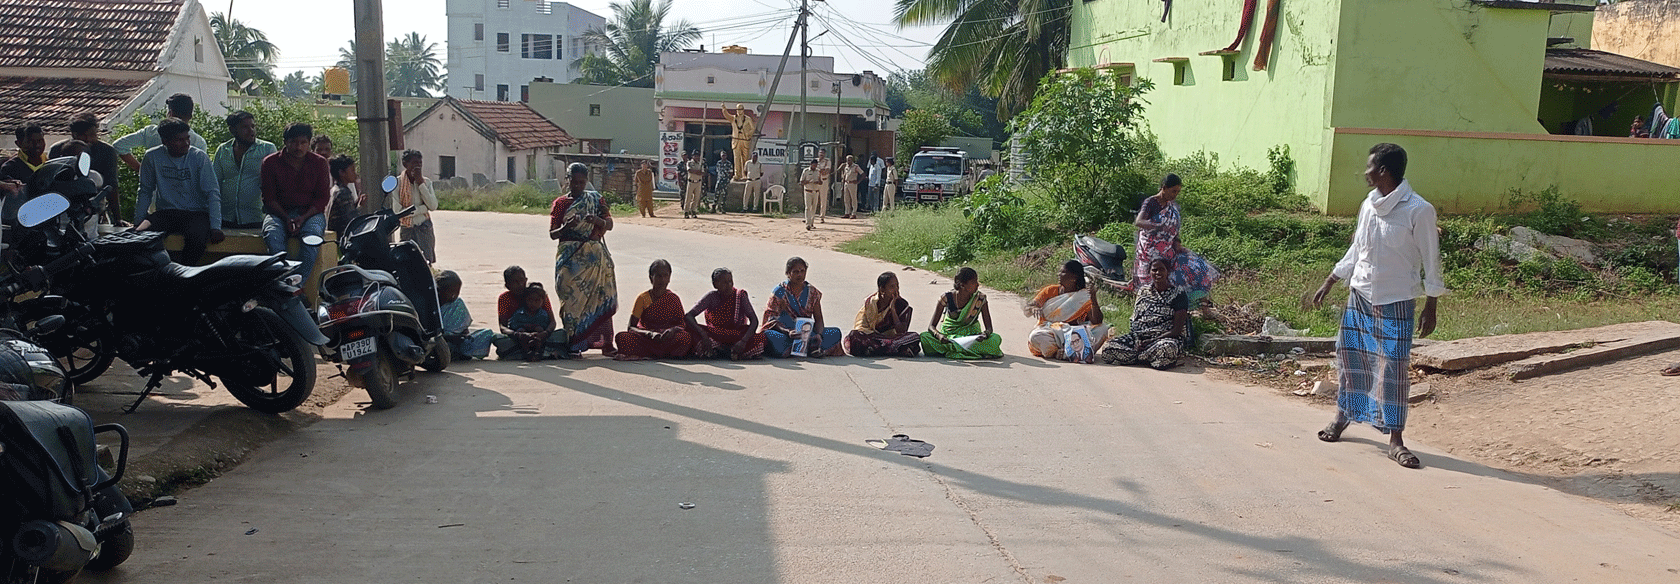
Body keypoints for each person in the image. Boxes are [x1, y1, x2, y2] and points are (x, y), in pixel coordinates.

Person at [1309, 143, 1446, 470]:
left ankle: (1396, 439)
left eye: (1369, 166)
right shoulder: (1368, 205)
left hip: (1397, 299)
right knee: (1351, 357)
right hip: (1360, 295)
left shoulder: (1418, 210)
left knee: (1393, 368)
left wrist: (1432, 305)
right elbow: (1358, 248)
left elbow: (1432, 261)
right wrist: (1331, 280)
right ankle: (1344, 416)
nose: (1365, 172)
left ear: (1384, 172)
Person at [550, 162, 618, 357]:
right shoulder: (561, 204)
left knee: (601, 298)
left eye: (582, 182)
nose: (578, 186)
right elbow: (553, 234)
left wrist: (597, 221)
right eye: (574, 182)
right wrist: (567, 227)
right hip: (569, 259)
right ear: (568, 181)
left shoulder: (596, 200)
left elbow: (610, 224)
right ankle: (575, 343)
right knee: (571, 300)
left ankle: (606, 343)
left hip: (596, 259)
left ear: (587, 181)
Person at [135, 119, 224, 265]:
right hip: (166, 212)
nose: (186, 143)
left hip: (196, 213)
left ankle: (185, 276)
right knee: (140, 237)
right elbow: (145, 190)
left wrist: (215, 227)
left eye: (187, 138)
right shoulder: (152, 157)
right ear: (165, 141)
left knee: (197, 240)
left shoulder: (199, 157)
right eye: (179, 140)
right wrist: (138, 220)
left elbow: (212, 193)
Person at [1129, 173, 1221, 306]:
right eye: (1173, 191)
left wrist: (1177, 243)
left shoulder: (1172, 207)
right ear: (1164, 188)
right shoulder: (1151, 203)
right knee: (1159, 278)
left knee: (1194, 267)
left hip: (1168, 249)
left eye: (1178, 192)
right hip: (1150, 251)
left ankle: (1195, 303)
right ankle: (1158, 305)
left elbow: (1174, 229)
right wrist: (1157, 227)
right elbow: (1139, 222)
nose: (1175, 195)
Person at [260, 123, 330, 277]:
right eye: (294, 142)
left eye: (303, 143)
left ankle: (295, 288)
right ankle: (284, 283)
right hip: (278, 213)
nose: (299, 147)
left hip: (310, 214)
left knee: (312, 240)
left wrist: (303, 218)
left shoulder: (319, 163)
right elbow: (269, 198)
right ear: (285, 142)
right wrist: (286, 218)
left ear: (309, 143)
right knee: (273, 238)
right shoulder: (270, 163)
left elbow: (322, 198)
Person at [1099, 258, 1188, 369]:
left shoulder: (1178, 294)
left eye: (1161, 270)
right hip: (1140, 339)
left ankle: (1140, 357)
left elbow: (1177, 330)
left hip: (1163, 339)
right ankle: (1148, 358)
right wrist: (1137, 340)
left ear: (1168, 271)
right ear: (1150, 272)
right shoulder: (1143, 292)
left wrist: (1152, 340)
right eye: (1154, 270)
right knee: (1109, 348)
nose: (1158, 273)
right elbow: (1136, 319)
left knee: (1166, 349)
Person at [1027, 260, 1110, 363]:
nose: (1059, 275)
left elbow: (1097, 321)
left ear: (1073, 278)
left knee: (1102, 329)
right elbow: (1031, 305)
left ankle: (1069, 353)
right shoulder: (1050, 290)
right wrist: (1034, 308)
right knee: (1036, 337)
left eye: (1063, 272)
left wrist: (1093, 298)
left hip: (1076, 336)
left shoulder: (1083, 296)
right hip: (1052, 332)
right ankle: (1065, 352)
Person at [49, 112, 123, 226]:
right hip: (62, 211)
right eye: (84, 135)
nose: (89, 139)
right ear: (74, 134)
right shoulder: (58, 150)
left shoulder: (107, 152)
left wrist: (117, 219)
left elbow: (111, 187)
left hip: (96, 212)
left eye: (93, 134)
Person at [614, 259, 695, 360]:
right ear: (651, 278)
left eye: (666, 276)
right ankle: (660, 354)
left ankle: (650, 354)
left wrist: (672, 330)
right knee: (622, 337)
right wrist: (649, 334)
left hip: (667, 339)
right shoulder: (643, 298)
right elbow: (631, 327)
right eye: (658, 276)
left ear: (670, 278)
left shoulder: (674, 298)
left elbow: (682, 324)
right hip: (648, 338)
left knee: (685, 338)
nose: (663, 280)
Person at [762, 257, 843, 357]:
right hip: (786, 333)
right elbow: (770, 320)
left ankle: (807, 345)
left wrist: (819, 334)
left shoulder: (813, 292)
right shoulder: (779, 291)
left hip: (807, 333)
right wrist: (788, 332)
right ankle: (809, 348)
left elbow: (819, 319)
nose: (800, 274)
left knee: (835, 332)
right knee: (769, 336)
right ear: (788, 273)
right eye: (795, 272)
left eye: (802, 271)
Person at [920, 267, 1003, 359]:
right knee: (924, 337)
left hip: (971, 337)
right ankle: (968, 350)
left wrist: (985, 334)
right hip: (949, 337)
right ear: (963, 285)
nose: (977, 285)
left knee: (995, 339)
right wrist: (939, 336)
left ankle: (954, 349)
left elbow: (989, 328)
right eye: (973, 282)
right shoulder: (946, 298)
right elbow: (931, 327)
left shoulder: (980, 298)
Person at [214, 110, 277, 229]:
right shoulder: (223, 150)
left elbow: (275, 183)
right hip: (226, 217)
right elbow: (215, 183)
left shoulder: (267, 149)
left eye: (253, 126)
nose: (251, 131)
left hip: (256, 217)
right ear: (232, 130)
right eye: (245, 127)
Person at [685, 268, 766, 360]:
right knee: (688, 329)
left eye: (730, 281)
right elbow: (689, 316)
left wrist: (743, 341)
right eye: (724, 283)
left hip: (736, 335)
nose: (729, 285)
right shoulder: (711, 297)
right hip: (716, 334)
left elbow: (754, 320)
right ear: (715, 284)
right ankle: (728, 352)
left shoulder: (740, 296)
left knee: (761, 339)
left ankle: (721, 351)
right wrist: (703, 334)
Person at [113, 93, 208, 172]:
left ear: (170, 113)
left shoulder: (151, 132)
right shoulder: (199, 142)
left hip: (154, 191)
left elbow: (119, 145)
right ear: (190, 115)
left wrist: (141, 169)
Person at [845, 271, 921, 357]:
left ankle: (875, 350)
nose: (896, 289)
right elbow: (862, 328)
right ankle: (892, 349)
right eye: (892, 286)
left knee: (915, 337)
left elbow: (901, 331)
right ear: (882, 289)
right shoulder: (871, 303)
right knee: (854, 336)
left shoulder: (902, 304)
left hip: (892, 338)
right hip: (873, 337)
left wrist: (892, 309)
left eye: (897, 285)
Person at [497, 265, 563, 352]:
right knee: (499, 341)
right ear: (507, 285)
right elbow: (502, 327)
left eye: (521, 280)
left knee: (562, 335)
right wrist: (518, 335)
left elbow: (552, 321)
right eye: (515, 282)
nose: (520, 284)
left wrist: (545, 334)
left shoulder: (539, 295)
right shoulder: (504, 298)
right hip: (518, 336)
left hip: (541, 334)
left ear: (526, 280)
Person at [392, 150, 439, 263]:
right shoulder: (397, 183)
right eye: (414, 163)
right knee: (407, 263)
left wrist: (420, 183)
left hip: (424, 228)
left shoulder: (426, 182)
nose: (417, 166)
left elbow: (433, 205)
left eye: (419, 163)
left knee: (427, 263)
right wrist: (423, 209)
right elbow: (398, 211)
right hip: (407, 229)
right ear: (405, 164)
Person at [437, 270, 493, 360]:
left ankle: (459, 352)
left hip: (458, 341)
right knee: (442, 348)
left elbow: (463, 327)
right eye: (450, 292)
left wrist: (464, 335)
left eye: (457, 292)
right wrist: (448, 337)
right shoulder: (431, 306)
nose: (453, 295)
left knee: (487, 333)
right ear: (439, 290)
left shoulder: (457, 304)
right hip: (440, 341)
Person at [498, 284, 559, 362]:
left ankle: (538, 352)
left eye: (537, 300)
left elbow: (550, 323)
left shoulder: (543, 313)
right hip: (521, 336)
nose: (533, 303)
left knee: (561, 334)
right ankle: (527, 353)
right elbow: (511, 325)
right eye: (530, 300)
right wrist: (520, 333)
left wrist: (543, 332)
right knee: (500, 339)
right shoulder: (519, 312)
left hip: (540, 336)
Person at [1, 124, 47, 223]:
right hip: (23, 222)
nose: (37, 145)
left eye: (40, 141)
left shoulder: (52, 164)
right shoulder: (10, 168)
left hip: (49, 219)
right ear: (19, 143)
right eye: (30, 141)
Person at [327, 155, 366, 236]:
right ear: (342, 172)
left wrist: (355, 204)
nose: (355, 174)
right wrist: (360, 207)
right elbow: (351, 221)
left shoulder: (335, 190)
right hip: (342, 238)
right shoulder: (343, 192)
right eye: (352, 170)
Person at [800, 158, 823, 231]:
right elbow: (801, 182)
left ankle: (812, 222)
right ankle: (808, 223)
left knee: (814, 208)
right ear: (811, 164)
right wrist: (807, 182)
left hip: (815, 191)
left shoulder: (818, 171)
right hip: (808, 191)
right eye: (813, 165)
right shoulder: (806, 171)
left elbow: (821, 182)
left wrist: (818, 181)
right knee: (808, 207)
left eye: (816, 165)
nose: (814, 167)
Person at [683, 151, 706, 218]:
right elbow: (690, 170)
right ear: (692, 156)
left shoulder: (700, 163)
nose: (697, 157)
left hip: (698, 182)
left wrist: (697, 172)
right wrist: (697, 172)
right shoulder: (689, 163)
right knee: (688, 197)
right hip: (691, 182)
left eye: (697, 156)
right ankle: (686, 212)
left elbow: (702, 173)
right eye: (695, 156)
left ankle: (693, 211)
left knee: (696, 198)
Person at [839, 154, 862, 219]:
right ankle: (847, 213)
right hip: (846, 183)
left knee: (853, 199)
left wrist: (858, 181)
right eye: (847, 160)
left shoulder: (855, 166)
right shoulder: (846, 167)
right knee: (846, 199)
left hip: (853, 184)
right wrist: (842, 185)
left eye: (849, 160)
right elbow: (844, 176)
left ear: (852, 160)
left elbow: (862, 174)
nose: (848, 161)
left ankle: (854, 213)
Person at [815, 149, 832, 221]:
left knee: (823, 199)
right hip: (815, 181)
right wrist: (821, 170)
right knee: (814, 199)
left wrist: (819, 170)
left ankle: (822, 216)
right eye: (820, 152)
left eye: (823, 153)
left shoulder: (827, 161)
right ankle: (811, 216)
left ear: (825, 154)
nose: (821, 154)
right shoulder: (815, 160)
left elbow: (826, 171)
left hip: (823, 181)